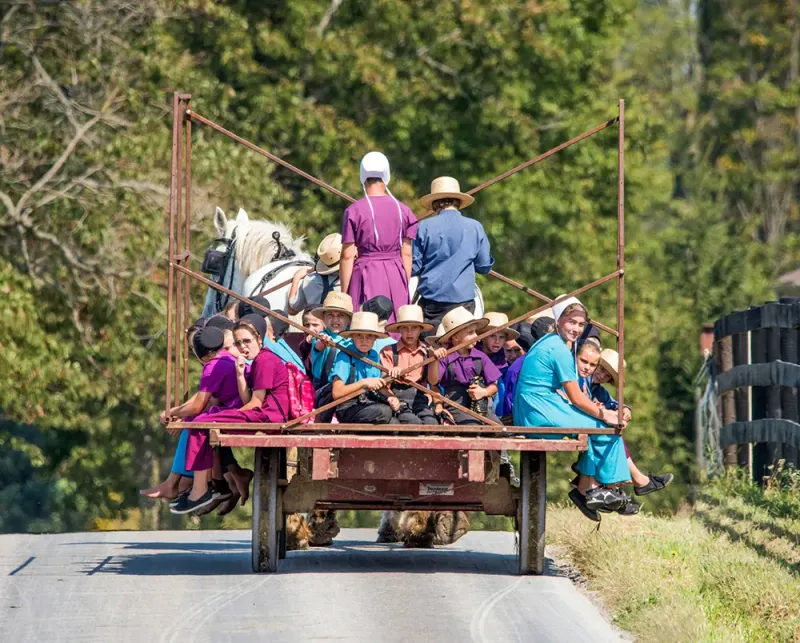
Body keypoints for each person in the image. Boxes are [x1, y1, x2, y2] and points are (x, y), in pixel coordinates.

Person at [512, 297, 630, 521]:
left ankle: (591, 489)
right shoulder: (559, 349)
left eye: (580, 324)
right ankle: (609, 490)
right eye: (571, 322)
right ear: (559, 320)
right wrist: (605, 414)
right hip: (538, 409)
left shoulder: (549, 342)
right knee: (605, 428)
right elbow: (576, 397)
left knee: (593, 426)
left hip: (533, 406)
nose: (576, 329)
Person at [175, 315, 290, 514]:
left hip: (269, 416)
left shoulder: (266, 360)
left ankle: (201, 490)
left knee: (200, 423)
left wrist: (231, 413)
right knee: (201, 421)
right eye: (238, 343)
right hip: (261, 413)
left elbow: (255, 404)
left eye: (247, 341)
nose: (243, 347)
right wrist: (239, 375)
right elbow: (249, 401)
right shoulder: (256, 361)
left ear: (259, 340)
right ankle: (203, 487)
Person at [577, 346, 674, 500]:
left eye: (607, 376)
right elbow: (580, 401)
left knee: (611, 430)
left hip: (586, 425)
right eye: (601, 369)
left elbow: (613, 404)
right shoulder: (582, 378)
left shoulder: (598, 390)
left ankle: (623, 482)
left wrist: (625, 410)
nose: (601, 376)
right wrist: (602, 411)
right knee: (607, 432)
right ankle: (621, 482)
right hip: (579, 422)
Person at [339, 152, 418, 322]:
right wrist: (403, 284)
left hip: (366, 270)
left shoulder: (354, 211)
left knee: (364, 324)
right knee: (397, 324)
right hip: (396, 272)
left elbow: (347, 256)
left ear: (362, 176)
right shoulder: (404, 210)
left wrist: (344, 295)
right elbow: (407, 254)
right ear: (386, 176)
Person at [412, 176, 493, 327]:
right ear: (458, 202)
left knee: (432, 346)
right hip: (463, 302)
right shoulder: (475, 227)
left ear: (434, 204)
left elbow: (414, 267)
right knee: (460, 347)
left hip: (431, 303)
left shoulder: (423, 227)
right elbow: (484, 267)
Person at [427, 307, 500, 425]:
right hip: (455, 404)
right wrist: (434, 360)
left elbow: (494, 385)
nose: (476, 335)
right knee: (472, 427)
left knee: (499, 429)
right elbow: (433, 382)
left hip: (479, 404)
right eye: (470, 332)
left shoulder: (480, 356)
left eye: (475, 332)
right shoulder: (446, 357)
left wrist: (484, 392)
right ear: (455, 337)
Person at [330, 312, 398, 424]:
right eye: (359, 335)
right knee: (384, 412)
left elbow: (380, 386)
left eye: (369, 336)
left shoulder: (374, 356)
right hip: (348, 406)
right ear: (352, 336)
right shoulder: (344, 357)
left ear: (375, 338)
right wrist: (363, 383)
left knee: (395, 423)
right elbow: (337, 393)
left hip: (369, 403)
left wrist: (392, 397)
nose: (364, 340)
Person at [381, 304, 438, 425]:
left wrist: (435, 360)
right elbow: (383, 383)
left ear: (420, 329)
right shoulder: (389, 351)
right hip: (397, 396)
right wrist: (392, 374)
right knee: (413, 424)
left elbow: (433, 382)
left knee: (432, 424)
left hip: (419, 397)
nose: (409, 332)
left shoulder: (427, 352)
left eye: (414, 328)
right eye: (405, 328)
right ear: (399, 330)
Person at [310, 292, 354, 421]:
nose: (335, 320)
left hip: (349, 392)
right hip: (325, 393)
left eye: (341, 315)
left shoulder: (355, 341)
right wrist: (323, 342)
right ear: (323, 318)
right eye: (330, 315)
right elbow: (318, 346)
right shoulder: (320, 337)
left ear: (349, 319)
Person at [287, 233, 342, 316]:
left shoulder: (310, 280)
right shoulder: (354, 281)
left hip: (317, 328)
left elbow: (292, 310)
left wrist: (297, 277)